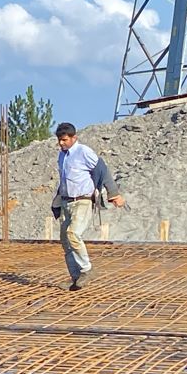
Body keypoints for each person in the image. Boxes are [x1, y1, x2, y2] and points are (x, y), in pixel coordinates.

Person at [51, 122, 125, 291]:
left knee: (73, 234)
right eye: (59, 140)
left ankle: (87, 270)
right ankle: (76, 279)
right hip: (67, 202)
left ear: (73, 138)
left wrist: (113, 193)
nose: (61, 143)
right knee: (66, 241)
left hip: (82, 201)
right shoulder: (62, 156)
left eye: (64, 140)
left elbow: (102, 170)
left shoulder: (83, 151)